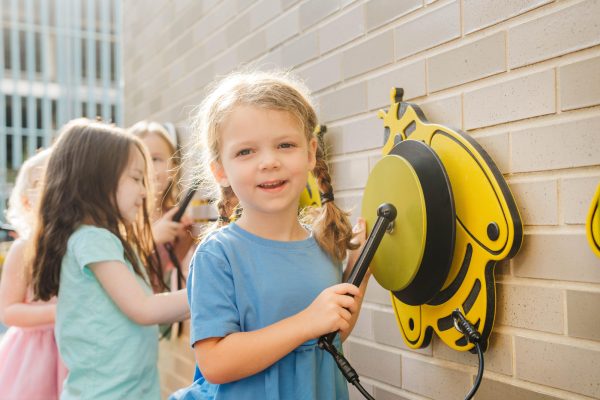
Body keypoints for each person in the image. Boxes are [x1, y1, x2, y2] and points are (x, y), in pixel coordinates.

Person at [184, 70, 369, 399]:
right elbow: (215, 361)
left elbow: (329, 337)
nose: (269, 162)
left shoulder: (324, 248)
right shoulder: (219, 255)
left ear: (311, 153)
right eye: (246, 152)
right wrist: (306, 322)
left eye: (285, 145)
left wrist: (360, 270)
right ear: (220, 169)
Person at [30, 118, 189, 400]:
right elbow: (144, 308)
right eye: (137, 178)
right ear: (98, 180)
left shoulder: (102, 239)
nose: (144, 190)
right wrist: (213, 292)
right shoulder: (93, 239)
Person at [0, 148, 68, 400]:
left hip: (74, 346)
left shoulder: (82, 245)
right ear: (27, 201)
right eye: (47, 186)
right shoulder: (24, 249)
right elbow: (9, 311)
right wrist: (62, 310)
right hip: (34, 355)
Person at [128, 120, 195, 281]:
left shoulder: (181, 221)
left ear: (173, 168)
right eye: (140, 159)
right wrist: (151, 239)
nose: (148, 167)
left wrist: (185, 240)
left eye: (156, 159)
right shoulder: (121, 219)